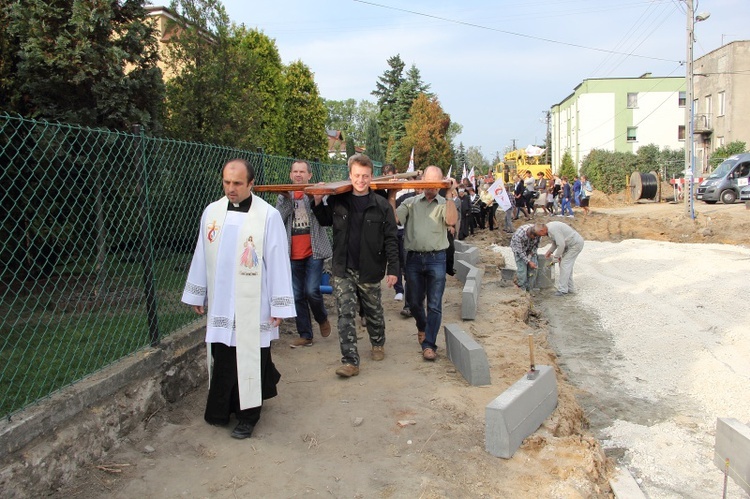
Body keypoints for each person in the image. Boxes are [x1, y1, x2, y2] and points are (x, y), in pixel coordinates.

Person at [181, 158, 295, 439]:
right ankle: (222, 409)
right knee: (222, 353)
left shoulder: (266, 216)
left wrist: (278, 304)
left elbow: (279, 261)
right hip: (221, 300)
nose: (230, 189)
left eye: (237, 184)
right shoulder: (212, 212)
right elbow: (201, 253)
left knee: (251, 355)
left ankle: (248, 417)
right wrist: (199, 291)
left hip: (254, 302)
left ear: (251, 184)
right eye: (226, 182)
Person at [311, 154, 399, 378]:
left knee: (373, 310)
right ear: (350, 175)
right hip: (343, 267)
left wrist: (393, 270)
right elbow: (324, 219)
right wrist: (318, 200)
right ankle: (350, 361)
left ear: (371, 177)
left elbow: (391, 238)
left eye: (365, 176)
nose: (361, 180)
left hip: (370, 267)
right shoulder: (340, 201)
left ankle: (377, 342)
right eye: (357, 175)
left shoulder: (380, 206)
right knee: (345, 314)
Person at [392, 166, 458, 361]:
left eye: (436, 184)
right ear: (422, 182)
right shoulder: (410, 202)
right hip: (413, 258)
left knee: (435, 304)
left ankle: (429, 344)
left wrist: (450, 193)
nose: (432, 188)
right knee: (413, 302)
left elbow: (452, 220)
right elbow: (394, 219)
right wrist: (392, 195)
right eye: (429, 183)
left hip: (437, 259)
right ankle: (422, 326)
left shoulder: (444, 203)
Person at [276, 159, 333, 348]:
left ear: (309, 175)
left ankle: (322, 318)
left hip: (313, 252)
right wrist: (286, 199)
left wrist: (315, 198)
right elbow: (279, 219)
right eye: (295, 171)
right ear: (291, 175)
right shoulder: (284, 195)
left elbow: (324, 217)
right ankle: (305, 334)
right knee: (297, 294)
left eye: (302, 171)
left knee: (311, 291)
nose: (298, 174)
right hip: (292, 253)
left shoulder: (315, 192)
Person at [537, 222, 584, 296]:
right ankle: (570, 288)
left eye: (540, 234)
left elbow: (561, 244)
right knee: (566, 266)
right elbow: (556, 242)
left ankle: (562, 290)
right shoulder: (549, 228)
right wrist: (550, 251)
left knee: (564, 264)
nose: (542, 236)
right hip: (570, 244)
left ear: (542, 230)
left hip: (575, 244)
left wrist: (556, 258)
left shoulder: (552, 229)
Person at [510, 223, 543, 293]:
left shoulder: (538, 233)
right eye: (532, 238)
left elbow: (536, 246)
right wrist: (528, 261)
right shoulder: (519, 235)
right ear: (529, 234)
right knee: (522, 270)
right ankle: (522, 289)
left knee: (533, 269)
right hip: (519, 250)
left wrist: (531, 255)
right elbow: (520, 252)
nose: (533, 239)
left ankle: (529, 288)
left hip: (530, 249)